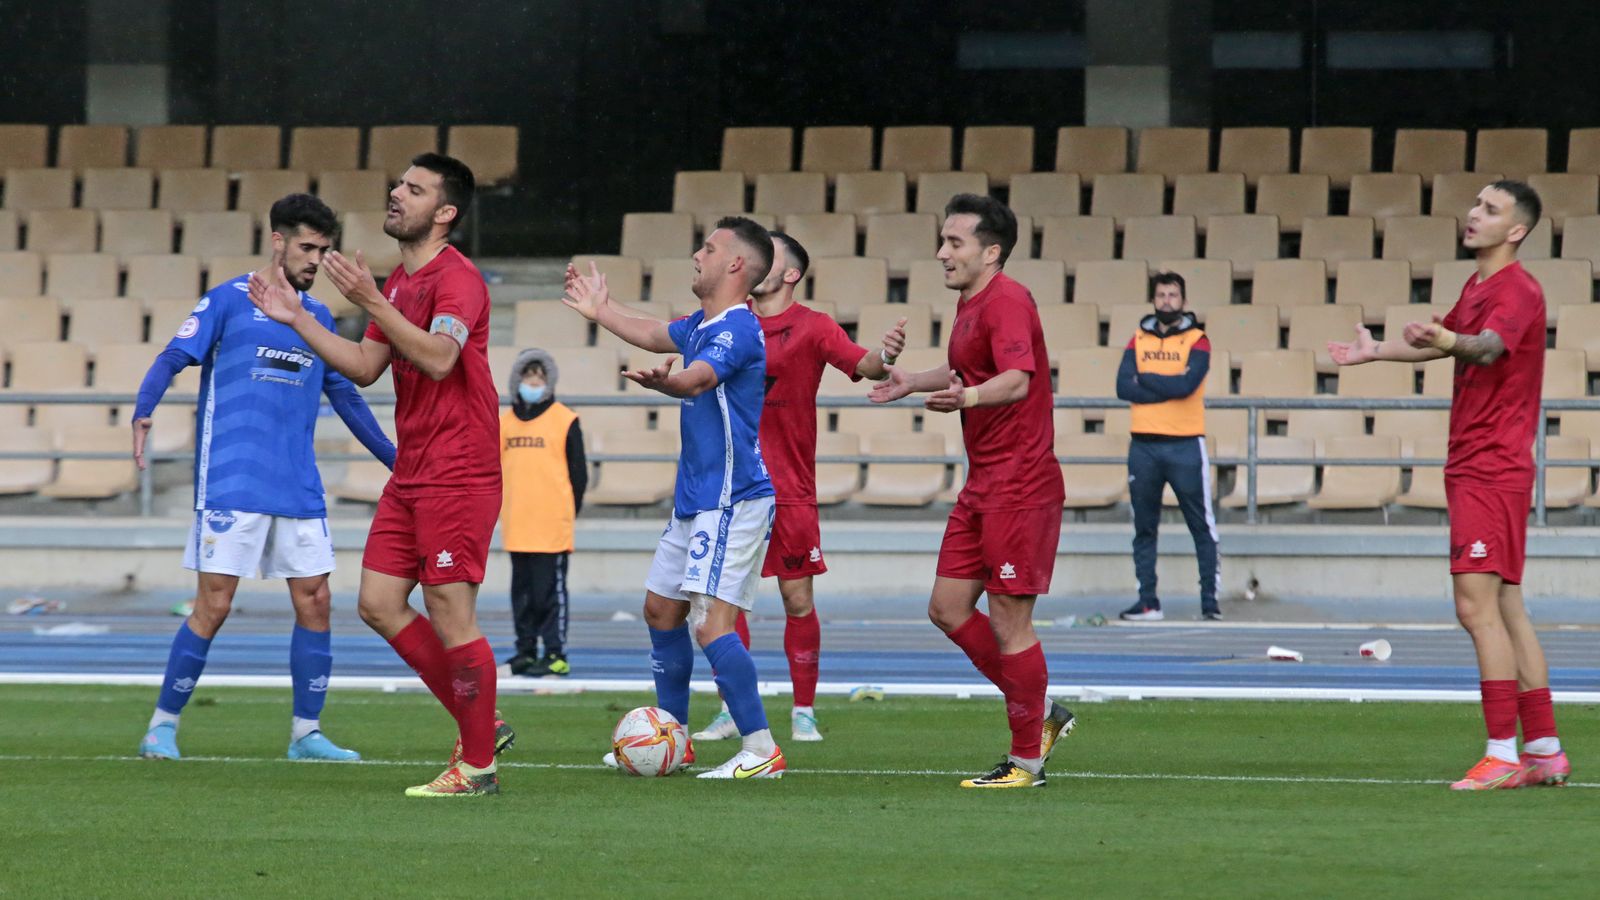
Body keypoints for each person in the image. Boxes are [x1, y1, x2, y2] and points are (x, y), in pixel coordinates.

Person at [248, 153, 514, 798]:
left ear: (444, 212)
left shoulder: (458, 280)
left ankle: (477, 766)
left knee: (450, 611)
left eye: (414, 189)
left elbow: (441, 358)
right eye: (399, 183)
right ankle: (481, 724)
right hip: (415, 467)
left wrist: (368, 298)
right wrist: (299, 319)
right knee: (378, 603)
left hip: (458, 467)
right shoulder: (397, 283)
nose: (397, 193)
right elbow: (368, 366)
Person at [134, 194, 396, 763]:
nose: (315, 260)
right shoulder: (227, 300)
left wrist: (398, 462)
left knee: (317, 601)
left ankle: (307, 734)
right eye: (307, 247)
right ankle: (161, 726)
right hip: (232, 480)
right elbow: (172, 357)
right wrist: (144, 409)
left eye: (324, 250)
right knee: (215, 604)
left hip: (297, 485)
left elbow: (347, 398)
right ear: (278, 241)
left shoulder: (318, 318)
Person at [1329, 180, 1570, 790]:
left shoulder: (1517, 289)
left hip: (1490, 465)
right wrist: (1376, 352)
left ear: (1516, 230)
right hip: (1484, 464)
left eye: (1490, 209)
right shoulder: (1479, 285)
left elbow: (1484, 347)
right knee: (1506, 605)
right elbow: (1451, 343)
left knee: (1474, 607)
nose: (1474, 214)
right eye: (1477, 204)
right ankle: (1544, 750)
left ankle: (1502, 754)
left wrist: (1447, 338)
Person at [564, 215, 786, 780]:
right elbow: (652, 331)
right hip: (697, 498)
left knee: (711, 625)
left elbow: (699, 378)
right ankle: (676, 739)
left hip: (732, 498)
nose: (697, 255)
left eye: (708, 248)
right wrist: (601, 311)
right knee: (661, 610)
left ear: (735, 264)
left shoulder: (738, 328)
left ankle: (761, 749)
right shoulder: (703, 324)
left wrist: (668, 382)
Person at [869, 194, 1075, 789]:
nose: (942, 252)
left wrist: (969, 398)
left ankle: (1026, 763)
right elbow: (969, 370)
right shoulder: (971, 303)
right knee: (948, 607)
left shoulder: (1007, 300)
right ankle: (1041, 712)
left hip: (1020, 484)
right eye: (943, 240)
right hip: (985, 483)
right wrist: (913, 382)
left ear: (991, 252)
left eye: (954, 242)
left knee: (1010, 621)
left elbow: (1016, 379)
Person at [691, 233, 907, 745]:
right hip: (733, 484)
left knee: (797, 599)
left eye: (771, 256)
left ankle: (803, 710)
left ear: (791, 274)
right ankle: (731, 708)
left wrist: (885, 353)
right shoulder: (727, 319)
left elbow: (863, 364)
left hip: (789, 485)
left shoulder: (813, 326)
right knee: (724, 603)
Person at [1115, 271, 1221, 622]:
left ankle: (1209, 602)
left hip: (1185, 445)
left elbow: (1187, 387)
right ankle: (1148, 602)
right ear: (1153, 300)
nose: (1166, 301)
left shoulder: (1198, 340)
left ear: (1183, 301)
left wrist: (1145, 378)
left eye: (1173, 295)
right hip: (1143, 445)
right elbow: (1122, 387)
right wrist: (1167, 386)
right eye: (1161, 295)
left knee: (1200, 525)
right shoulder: (1137, 339)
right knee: (1144, 527)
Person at [499, 348, 587, 678]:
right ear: (517, 380)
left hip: (551, 527)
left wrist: (566, 513)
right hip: (516, 524)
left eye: (540, 376)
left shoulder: (565, 419)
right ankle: (525, 651)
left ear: (549, 382)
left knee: (549, 595)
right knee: (522, 596)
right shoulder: (504, 423)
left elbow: (579, 475)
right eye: (528, 375)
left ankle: (554, 654)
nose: (533, 382)